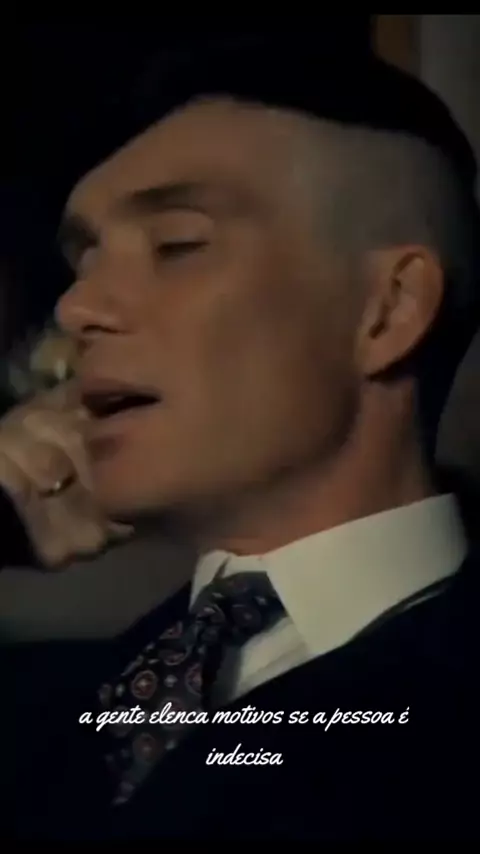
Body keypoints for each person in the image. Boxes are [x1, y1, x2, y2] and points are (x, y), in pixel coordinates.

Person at [2, 40, 480, 838]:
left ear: (389, 310)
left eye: (177, 245)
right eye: (84, 263)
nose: (78, 309)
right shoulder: (48, 699)